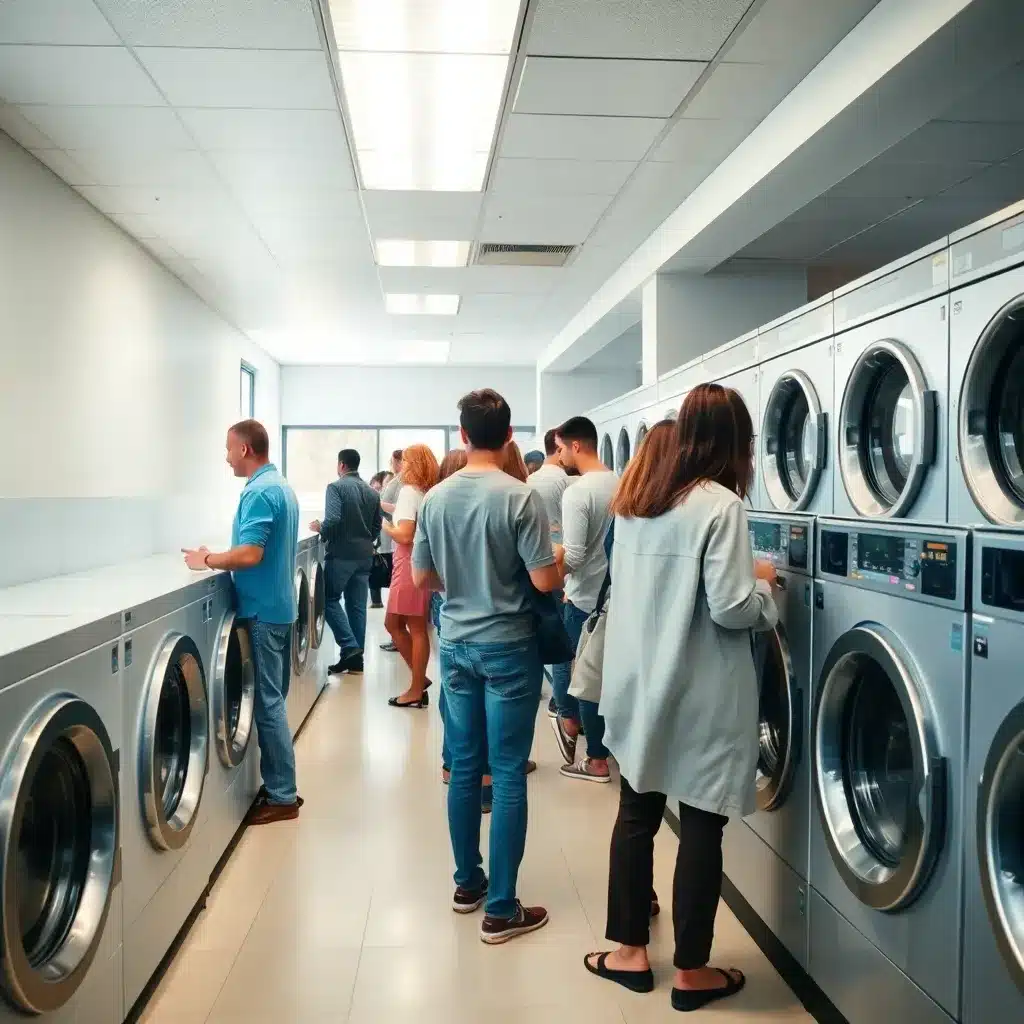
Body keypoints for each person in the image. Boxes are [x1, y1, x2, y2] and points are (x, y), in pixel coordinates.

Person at [583, 384, 778, 1013]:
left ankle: (630, 954)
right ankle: (693, 971)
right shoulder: (721, 506)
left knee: (636, 815)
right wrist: (767, 591)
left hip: (640, 684)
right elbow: (729, 607)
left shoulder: (638, 502)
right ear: (735, 443)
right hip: (702, 693)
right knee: (701, 825)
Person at [412, 389, 562, 943]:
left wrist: (466, 583)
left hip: (455, 645)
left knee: (464, 768)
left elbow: (424, 579)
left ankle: (467, 883)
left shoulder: (435, 499)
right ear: (508, 436)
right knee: (507, 772)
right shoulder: (521, 498)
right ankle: (501, 908)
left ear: (463, 435)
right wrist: (554, 563)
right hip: (509, 648)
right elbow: (545, 581)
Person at [182, 419, 301, 825]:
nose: (227, 456)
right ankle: (281, 786)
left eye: (229, 449)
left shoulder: (259, 493)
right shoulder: (280, 486)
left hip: (262, 612)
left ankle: (283, 796)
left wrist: (208, 561)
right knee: (274, 702)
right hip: (280, 608)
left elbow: (251, 554)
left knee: (267, 706)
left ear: (245, 450)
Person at [549, 416, 617, 783]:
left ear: (577, 446)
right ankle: (605, 746)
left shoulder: (577, 491)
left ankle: (596, 759)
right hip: (614, 597)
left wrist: (551, 572)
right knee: (606, 677)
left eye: (560, 448)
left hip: (582, 600)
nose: (559, 456)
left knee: (584, 678)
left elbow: (573, 555)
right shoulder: (622, 482)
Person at [309, 449, 382, 676]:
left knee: (328, 599)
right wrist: (365, 540)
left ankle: (349, 646)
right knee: (357, 607)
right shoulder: (372, 493)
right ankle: (355, 662)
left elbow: (333, 519)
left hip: (341, 556)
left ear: (341, 465)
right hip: (364, 557)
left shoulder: (336, 487)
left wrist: (320, 528)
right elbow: (377, 526)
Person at [383, 444, 439, 708]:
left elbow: (405, 534)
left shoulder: (408, 491)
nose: (400, 467)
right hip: (419, 562)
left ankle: (417, 688)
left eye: (404, 462)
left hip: (407, 563)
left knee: (410, 627)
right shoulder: (426, 492)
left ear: (412, 465)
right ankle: (419, 679)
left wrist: (383, 524)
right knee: (400, 625)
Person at [378, 451, 404, 651]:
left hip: (395, 539)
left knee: (397, 590)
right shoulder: (396, 481)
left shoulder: (402, 484)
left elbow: (399, 508)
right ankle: (397, 637)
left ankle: (399, 637)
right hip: (391, 540)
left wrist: (377, 503)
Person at [368, 471, 387, 608]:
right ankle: (376, 600)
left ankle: (376, 600)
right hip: (379, 540)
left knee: (377, 567)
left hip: (384, 539)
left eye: (377, 489)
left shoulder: (382, 501)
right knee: (375, 566)